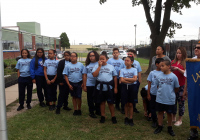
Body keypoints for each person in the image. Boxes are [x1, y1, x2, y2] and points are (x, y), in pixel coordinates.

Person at [154, 60, 179, 136]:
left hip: (170, 99)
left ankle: (170, 128)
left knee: (169, 113)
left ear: (168, 66)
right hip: (160, 98)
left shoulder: (174, 77)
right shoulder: (159, 76)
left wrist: (170, 93)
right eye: (160, 66)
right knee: (160, 112)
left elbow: (176, 88)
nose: (160, 67)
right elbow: (158, 86)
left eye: (162, 66)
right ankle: (160, 126)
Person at [92, 51, 118, 124]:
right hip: (100, 88)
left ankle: (113, 116)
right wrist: (99, 66)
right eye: (100, 59)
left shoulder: (111, 67)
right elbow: (94, 75)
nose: (101, 61)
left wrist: (115, 87)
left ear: (106, 59)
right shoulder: (96, 66)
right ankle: (102, 116)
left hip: (109, 87)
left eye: (103, 59)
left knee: (110, 103)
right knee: (102, 102)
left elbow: (115, 77)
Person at [183, 41, 200, 140]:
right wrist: (185, 90)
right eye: (195, 48)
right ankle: (194, 133)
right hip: (194, 91)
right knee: (193, 109)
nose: (196, 49)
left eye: (199, 48)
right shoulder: (192, 62)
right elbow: (187, 77)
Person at [171, 47, 187, 126]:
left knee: (181, 103)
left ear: (183, 54)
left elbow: (185, 73)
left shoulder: (185, 63)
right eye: (177, 53)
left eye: (180, 53)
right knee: (173, 102)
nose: (178, 54)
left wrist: (178, 69)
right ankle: (173, 117)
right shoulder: (173, 62)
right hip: (173, 86)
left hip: (182, 86)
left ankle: (180, 119)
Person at [119, 56, 137, 126]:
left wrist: (126, 79)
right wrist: (130, 80)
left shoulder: (134, 70)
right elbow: (121, 80)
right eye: (125, 60)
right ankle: (126, 117)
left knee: (131, 104)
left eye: (127, 61)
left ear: (131, 62)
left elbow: (135, 79)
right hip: (124, 87)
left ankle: (131, 118)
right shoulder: (122, 70)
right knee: (125, 103)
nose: (126, 62)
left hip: (132, 87)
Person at [107, 48, 126, 114]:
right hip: (112, 78)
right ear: (112, 53)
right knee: (113, 92)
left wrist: (121, 78)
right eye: (114, 52)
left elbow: (123, 70)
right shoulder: (109, 61)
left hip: (119, 78)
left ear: (118, 53)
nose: (115, 54)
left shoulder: (121, 61)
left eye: (116, 52)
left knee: (120, 92)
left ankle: (119, 105)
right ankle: (115, 104)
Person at [83, 51, 100, 118]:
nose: (91, 57)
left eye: (93, 55)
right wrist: (84, 85)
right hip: (89, 84)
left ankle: (98, 110)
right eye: (90, 56)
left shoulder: (99, 64)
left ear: (96, 56)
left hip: (98, 84)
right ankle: (91, 112)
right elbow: (84, 75)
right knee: (90, 99)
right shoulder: (87, 65)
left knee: (98, 98)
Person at [147, 58, 164, 128]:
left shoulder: (164, 73)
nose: (163, 66)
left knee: (161, 108)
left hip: (161, 94)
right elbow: (149, 84)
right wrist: (148, 94)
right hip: (153, 93)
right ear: (157, 64)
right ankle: (154, 120)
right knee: (153, 107)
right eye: (161, 64)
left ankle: (160, 120)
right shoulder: (152, 73)